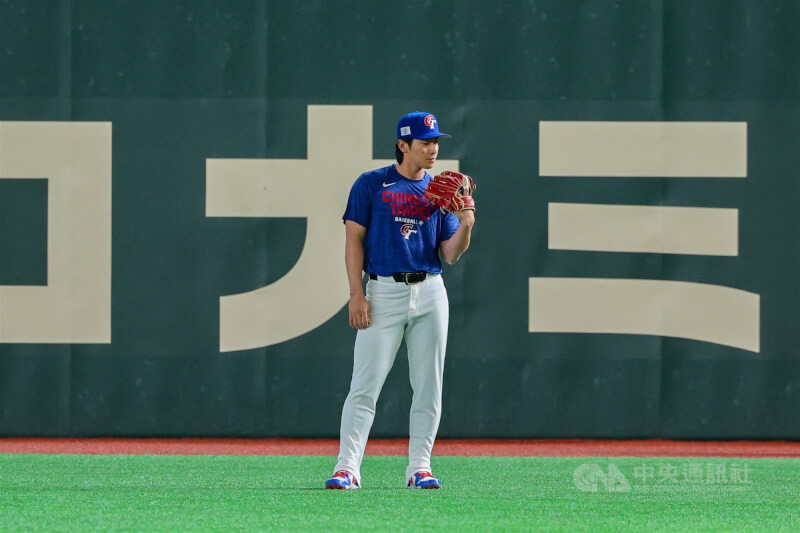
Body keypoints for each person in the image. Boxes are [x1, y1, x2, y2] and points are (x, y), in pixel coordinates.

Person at [325, 111, 476, 490]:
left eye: (436, 141)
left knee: (429, 384)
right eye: (425, 142)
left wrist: (467, 222)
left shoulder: (441, 191)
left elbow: (451, 254)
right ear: (402, 145)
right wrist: (356, 293)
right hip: (383, 290)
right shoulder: (373, 184)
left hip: (429, 290)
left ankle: (419, 468)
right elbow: (353, 241)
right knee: (365, 384)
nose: (433, 149)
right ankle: (347, 467)